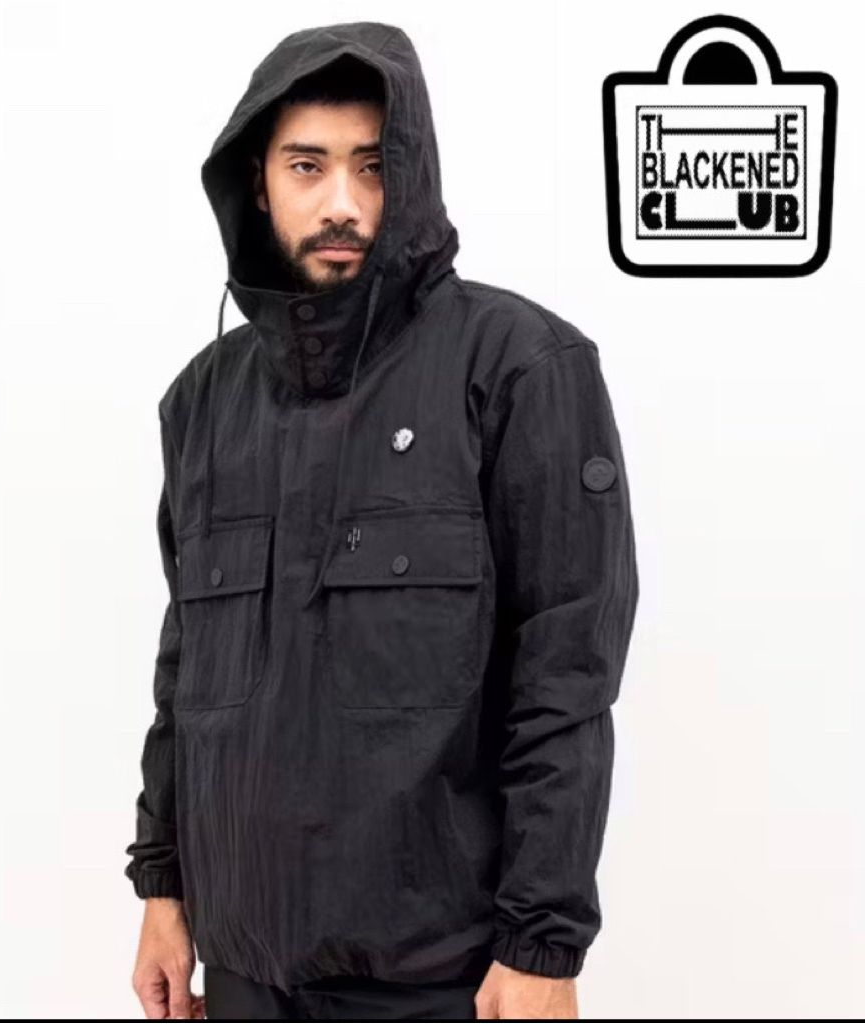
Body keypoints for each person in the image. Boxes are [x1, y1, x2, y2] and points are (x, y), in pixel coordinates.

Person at [125, 20, 639, 1022]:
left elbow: (566, 680)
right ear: (257, 182)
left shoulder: (519, 368)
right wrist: (162, 887)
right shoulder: (201, 402)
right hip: (243, 970)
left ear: (413, 175)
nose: (342, 202)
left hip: (442, 985)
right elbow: (185, 674)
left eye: (372, 165)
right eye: (307, 165)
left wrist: (542, 944)